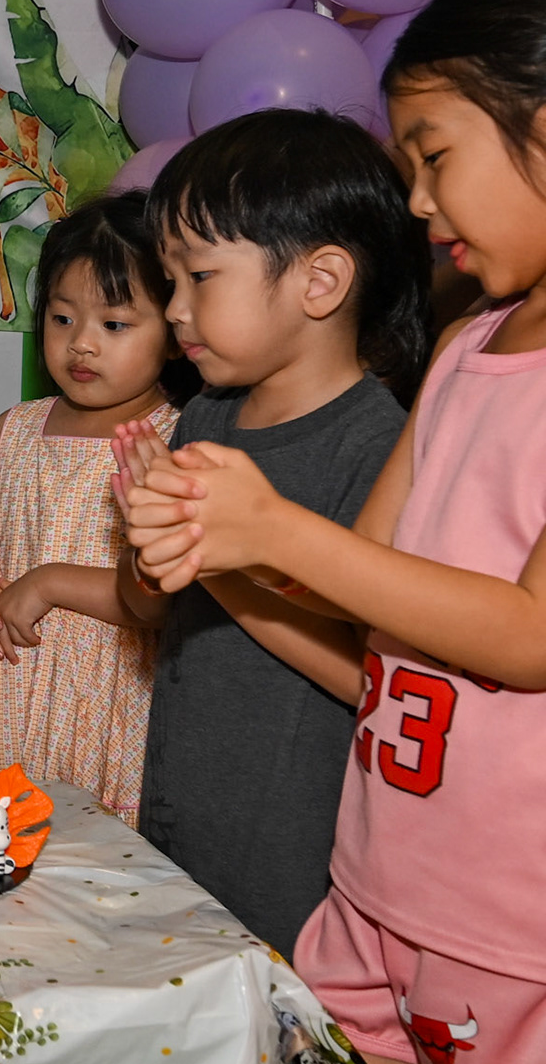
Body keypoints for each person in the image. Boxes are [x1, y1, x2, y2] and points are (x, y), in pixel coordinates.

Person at [129, 0, 546, 1064]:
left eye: (436, 154)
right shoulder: (467, 348)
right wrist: (216, 542)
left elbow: (530, 635)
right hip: (370, 884)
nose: (417, 199)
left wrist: (270, 532)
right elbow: (361, 596)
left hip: (502, 920)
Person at [107, 108, 430, 961]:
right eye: (168, 280)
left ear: (319, 283)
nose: (176, 309)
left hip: (293, 853)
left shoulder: (380, 449)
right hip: (179, 819)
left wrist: (215, 561)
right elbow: (146, 609)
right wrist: (149, 542)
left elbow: (369, 678)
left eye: (200, 276)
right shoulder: (205, 418)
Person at [0, 192, 198, 826]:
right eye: (63, 318)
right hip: (9, 687)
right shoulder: (14, 429)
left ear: (175, 332)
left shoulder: (176, 441)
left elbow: (161, 603)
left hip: (110, 704)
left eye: (115, 325)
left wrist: (48, 583)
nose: (82, 344)